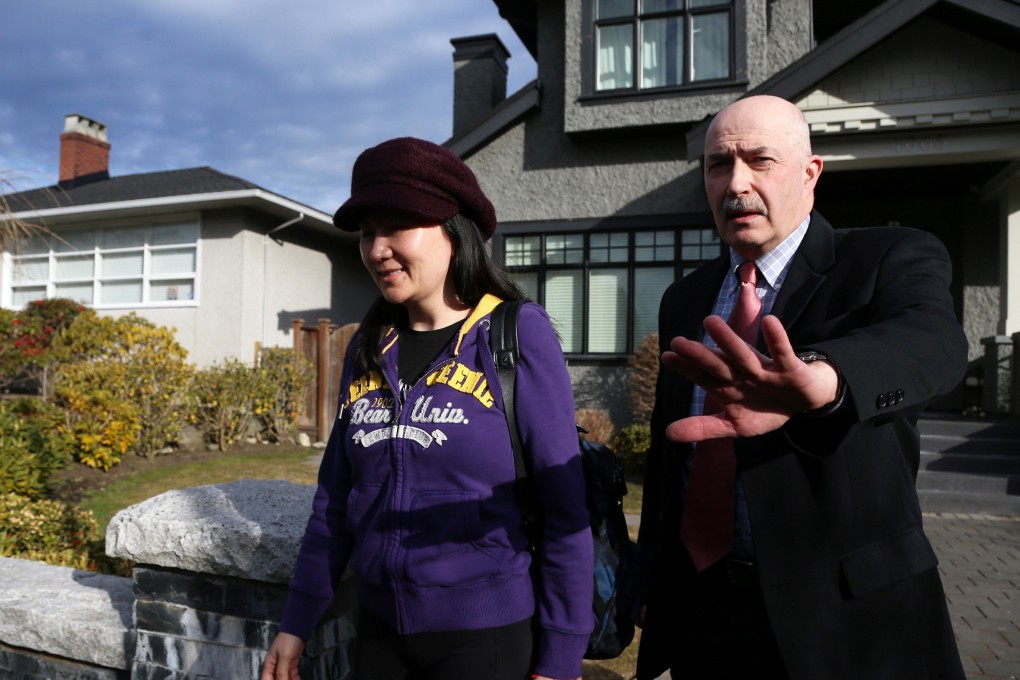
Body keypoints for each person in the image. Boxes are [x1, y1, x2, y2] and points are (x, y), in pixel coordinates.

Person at [635, 95, 968, 680]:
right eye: (718, 164)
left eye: (759, 160)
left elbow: (932, 345)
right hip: (707, 609)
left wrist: (826, 380)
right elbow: (673, 456)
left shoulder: (888, 257)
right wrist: (652, 574)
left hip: (844, 618)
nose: (735, 184)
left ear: (810, 173)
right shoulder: (683, 298)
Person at [260, 137, 593, 680]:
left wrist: (559, 657)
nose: (375, 249)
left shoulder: (514, 335)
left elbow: (565, 507)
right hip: (379, 634)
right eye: (367, 233)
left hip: (483, 640)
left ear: (453, 228)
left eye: (396, 227)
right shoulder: (368, 348)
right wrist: (296, 621)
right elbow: (334, 502)